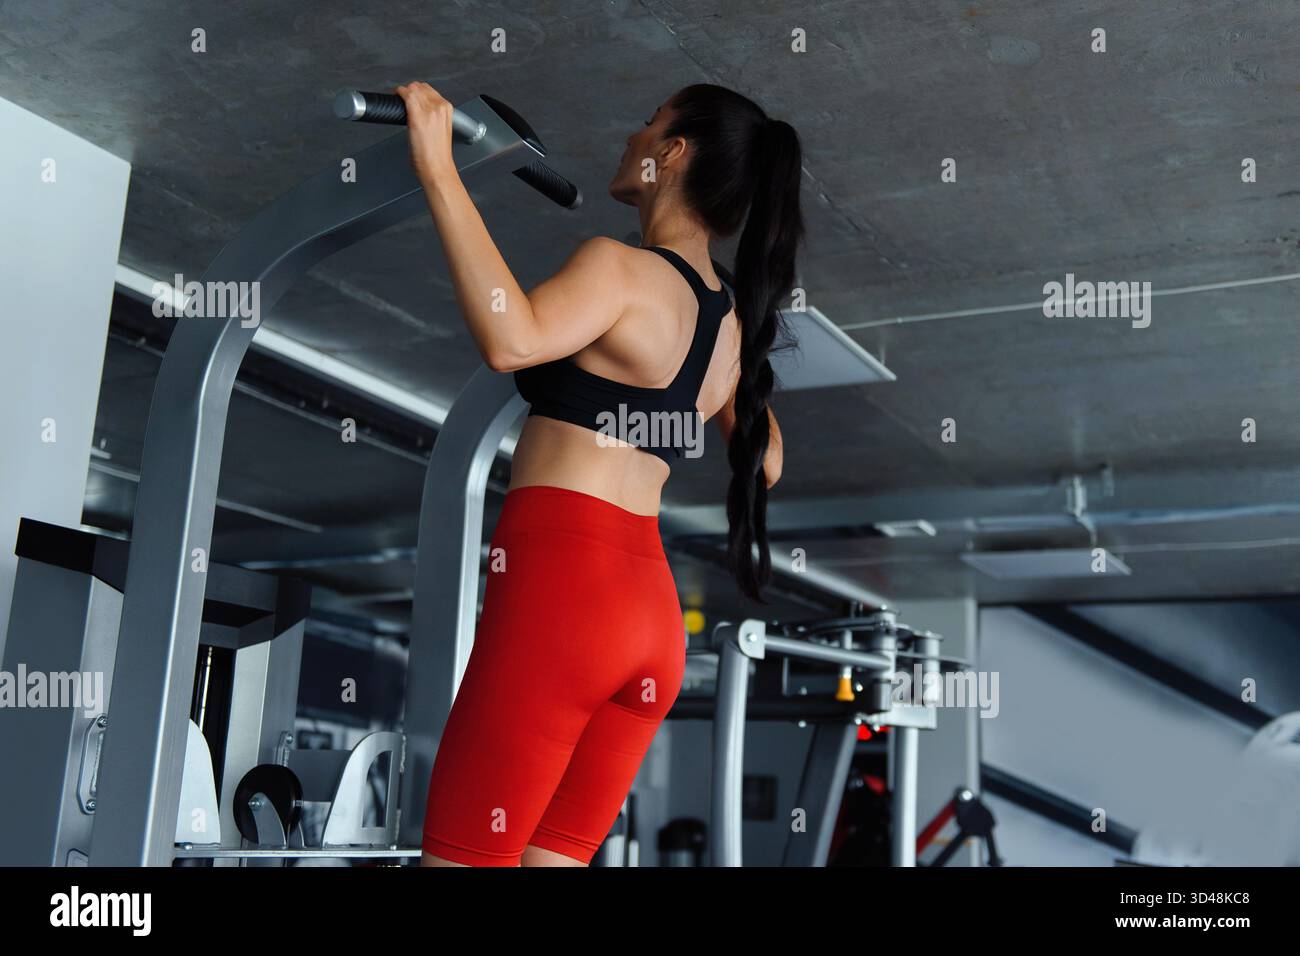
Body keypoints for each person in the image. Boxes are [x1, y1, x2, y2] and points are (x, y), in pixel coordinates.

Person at [400, 81, 804, 866]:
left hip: (565, 601)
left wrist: (437, 170)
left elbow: (512, 339)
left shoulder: (620, 268)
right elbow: (769, 465)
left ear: (673, 154)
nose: (632, 135)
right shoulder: (730, 321)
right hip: (649, 622)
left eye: (649, 122)